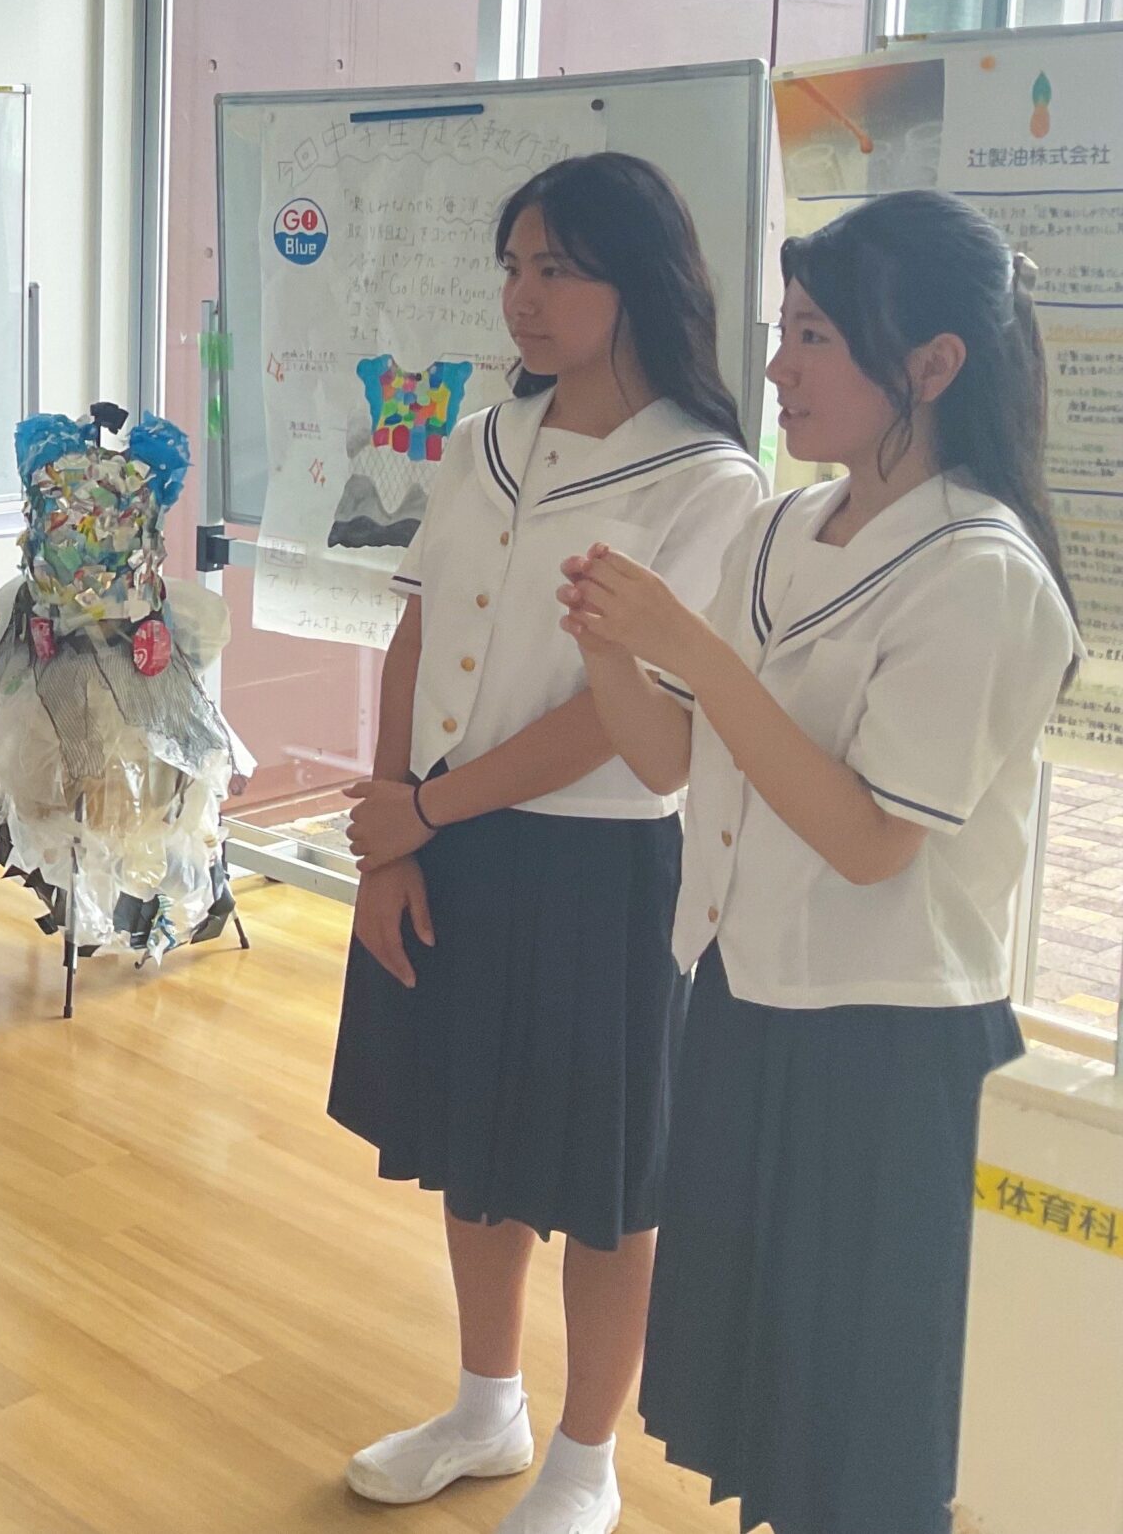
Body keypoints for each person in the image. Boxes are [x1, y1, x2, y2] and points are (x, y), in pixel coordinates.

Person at [560, 189, 1079, 1534]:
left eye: (815, 337)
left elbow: (866, 840)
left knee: (865, 1426)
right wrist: (611, 649)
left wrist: (690, 646)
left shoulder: (981, 571)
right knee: (772, 1393)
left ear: (933, 365)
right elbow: (676, 759)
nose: (779, 366)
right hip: (747, 1001)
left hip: (889, 1044)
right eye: (782, 329)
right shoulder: (786, 528)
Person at [327, 153, 766, 1534]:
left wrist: (427, 809)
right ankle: (485, 1404)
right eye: (513, 265)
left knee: (606, 1180)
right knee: (474, 1140)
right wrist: (392, 827)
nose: (522, 295)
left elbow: (619, 725)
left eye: (556, 268)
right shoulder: (480, 437)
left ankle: (586, 1455)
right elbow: (414, 628)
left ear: (638, 280)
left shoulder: (710, 480)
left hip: (600, 862)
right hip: (444, 837)